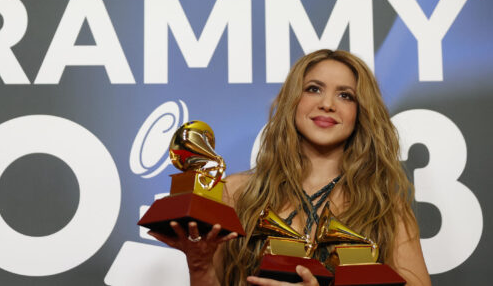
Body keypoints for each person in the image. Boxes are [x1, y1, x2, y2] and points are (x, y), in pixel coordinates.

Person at [149, 49, 431, 286]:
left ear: (361, 113)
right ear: (292, 100)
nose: (327, 104)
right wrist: (199, 266)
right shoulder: (236, 192)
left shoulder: (385, 207)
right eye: (313, 89)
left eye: (345, 95)